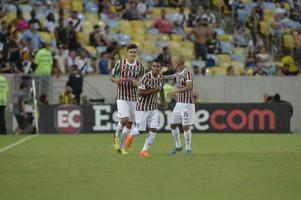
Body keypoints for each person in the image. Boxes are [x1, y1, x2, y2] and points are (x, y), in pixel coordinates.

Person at [125, 59, 166, 157]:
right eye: (154, 66)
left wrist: (164, 101)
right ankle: (130, 135)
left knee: (153, 129)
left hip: (154, 107)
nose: (155, 68)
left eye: (157, 67)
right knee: (141, 131)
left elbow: (161, 89)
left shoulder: (161, 77)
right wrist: (155, 89)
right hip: (142, 107)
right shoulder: (145, 78)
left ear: (161, 68)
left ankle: (144, 151)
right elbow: (139, 93)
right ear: (151, 67)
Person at [110, 44, 144, 154]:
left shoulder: (140, 66)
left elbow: (143, 82)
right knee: (124, 119)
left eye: (134, 52)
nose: (133, 54)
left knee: (130, 123)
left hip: (134, 97)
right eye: (131, 52)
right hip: (122, 96)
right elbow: (111, 76)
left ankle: (122, 147)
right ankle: (116, 137)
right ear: (127, 52)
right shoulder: (120, 64)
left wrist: (137, 83)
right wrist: (116, 81)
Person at [165, 56, 195, 155]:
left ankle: (188, 148)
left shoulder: (187, 73)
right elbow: (173, 76)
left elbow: (189, 87)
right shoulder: (178, 72)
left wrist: (175, 91)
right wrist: (161, 77)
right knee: (173, 125)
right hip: (179, 103)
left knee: (185, 126)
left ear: (178, 63)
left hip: (187, 104)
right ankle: (178, 146)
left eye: (174, 62)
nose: (172, 63)